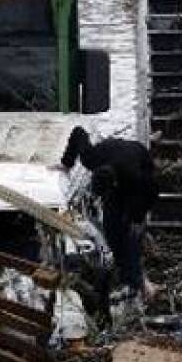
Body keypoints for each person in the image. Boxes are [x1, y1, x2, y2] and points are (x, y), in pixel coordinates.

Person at [59, 126, 159, 299]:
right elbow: (79, 131)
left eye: (104, 196)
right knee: (111, 228)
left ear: (113, 186)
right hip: (112, 157)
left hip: (139, 160)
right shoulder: (90, 158)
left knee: (130, 233)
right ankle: (125, 269)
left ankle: (136, 283)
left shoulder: (135, 177)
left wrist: (138, 218)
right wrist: (66, 164)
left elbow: (152, 192)